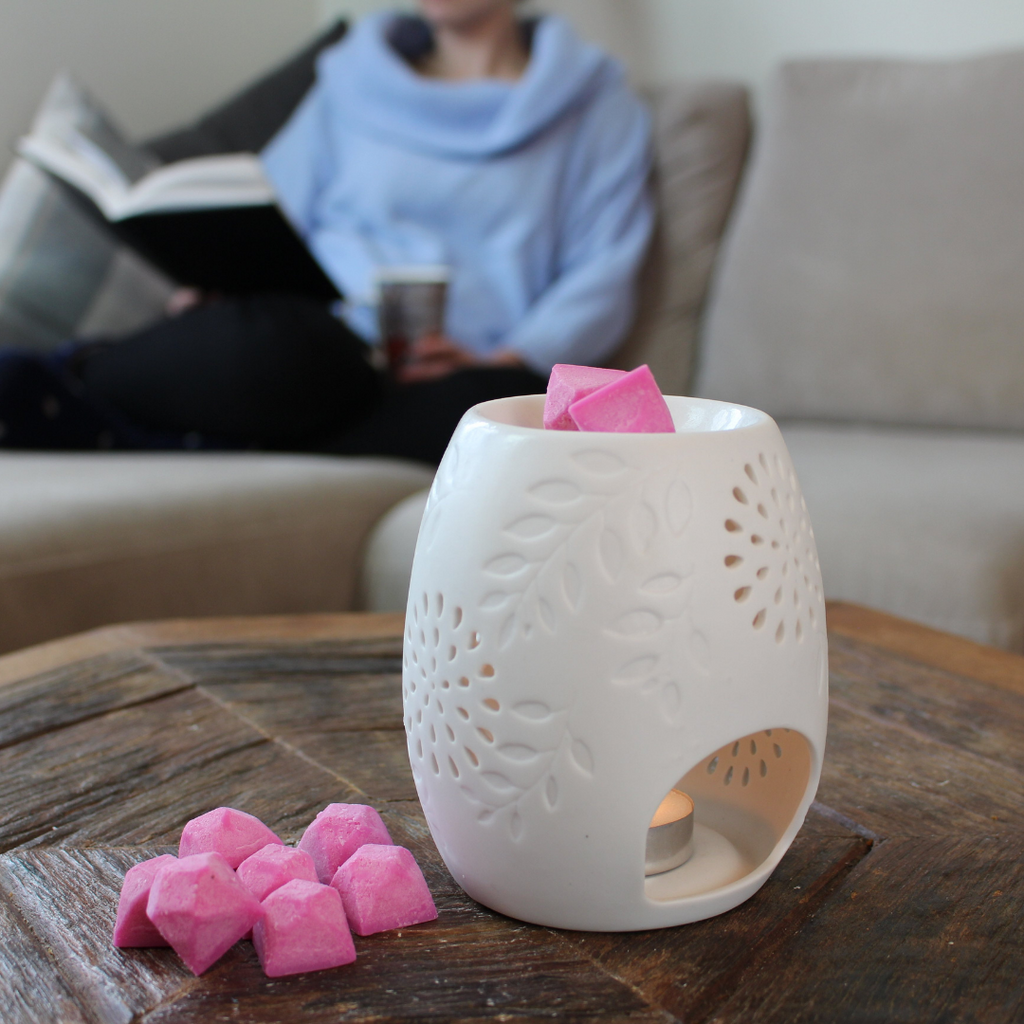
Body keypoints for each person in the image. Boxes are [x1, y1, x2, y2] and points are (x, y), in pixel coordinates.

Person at [0, 0, 653, 464]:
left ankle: (185, 431)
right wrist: (221, 276)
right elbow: (270, 203)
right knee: (283, 348)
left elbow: (603, 272)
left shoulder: (596, 105)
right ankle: (61, 383)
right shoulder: (351, 83)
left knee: (494, 421)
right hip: (319, 336)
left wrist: (504, 359)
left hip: (454, 373)